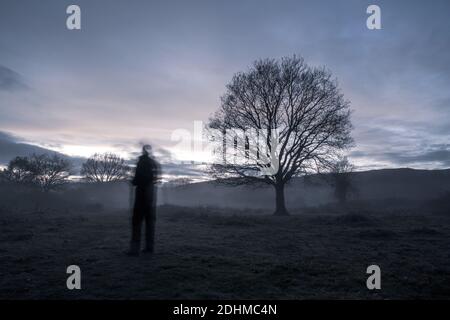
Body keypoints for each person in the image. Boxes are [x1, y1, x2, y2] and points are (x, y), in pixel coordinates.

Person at [127, 145, 160, 256]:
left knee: (136, 222)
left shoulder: (141, 162)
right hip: (151, 197)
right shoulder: (154, 163)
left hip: (141, 196)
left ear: (143, 151)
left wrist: (132, 181)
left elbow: (138, 179)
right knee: (150, 223)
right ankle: (149, 248)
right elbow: (156, 180)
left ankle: (134, 250)